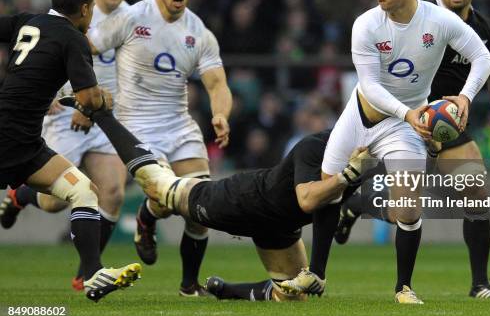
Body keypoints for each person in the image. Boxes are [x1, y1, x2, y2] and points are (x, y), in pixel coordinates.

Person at [297, 0, 490, 304]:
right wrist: (408, 114)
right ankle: (316, 275)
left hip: (404, 127)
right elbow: (370, 86)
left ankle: (403, 287)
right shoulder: (366, 25)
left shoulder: (440, 22)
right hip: (362, 115)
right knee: (327, 188)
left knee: (408, 208)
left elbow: (483, 58)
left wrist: (464, 98)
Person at [59, 95, 372, 301]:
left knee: (292, 297)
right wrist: (348, 180)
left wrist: (320, 264)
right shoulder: (316, 146)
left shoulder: (366, 156)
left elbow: (348, 202)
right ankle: (103, 115)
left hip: (280, 225)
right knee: (158, 185)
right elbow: (308, 200)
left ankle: (223, 290)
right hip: (244, 201)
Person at [86, 0, 232, 296]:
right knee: (168, 199)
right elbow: (87, 47)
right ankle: (148, 217)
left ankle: (188, 285)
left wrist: (221, 113)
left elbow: (217, 83)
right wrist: (79, 90)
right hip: (137, 126)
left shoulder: (199, 32)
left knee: (200, 204)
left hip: (179, 125)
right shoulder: (132, 17)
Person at [0, 0, 140, 302]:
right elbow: (89, 100)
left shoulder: (27, 21)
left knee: (83, 190)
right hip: (14, 138)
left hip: (27, 143)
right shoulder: (72, 38)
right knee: (78, 192)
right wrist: (103, 98)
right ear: (86, 8)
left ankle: (92, 274)